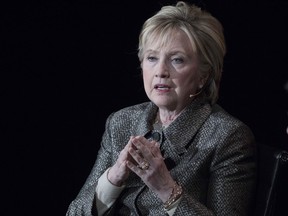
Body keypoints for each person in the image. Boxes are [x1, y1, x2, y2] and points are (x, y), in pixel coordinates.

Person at [66, 1, 257, 215]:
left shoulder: (228, 136)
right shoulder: (121, 122)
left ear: (204, 75)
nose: (161, 71)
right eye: (152, 58)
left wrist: (166, 188)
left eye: (177, 60)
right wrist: (113, 178)